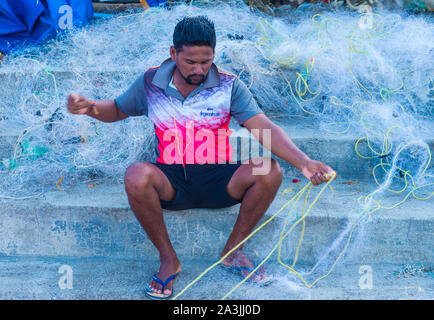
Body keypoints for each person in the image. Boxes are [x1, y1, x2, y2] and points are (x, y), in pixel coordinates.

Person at [67, 15, 336, 299]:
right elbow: (119, 109)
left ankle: (233, 252)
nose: (198, 69)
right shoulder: (151, 82)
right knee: (136, 174)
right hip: (172, 180)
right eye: (190, 62)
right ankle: (169, 258)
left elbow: (263, 127)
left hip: (220, 178)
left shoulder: (230, 86)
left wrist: (304, 163)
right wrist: (90, 108)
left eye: (205, 62)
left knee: (268, 170)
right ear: (173, 53)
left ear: (214, 55)